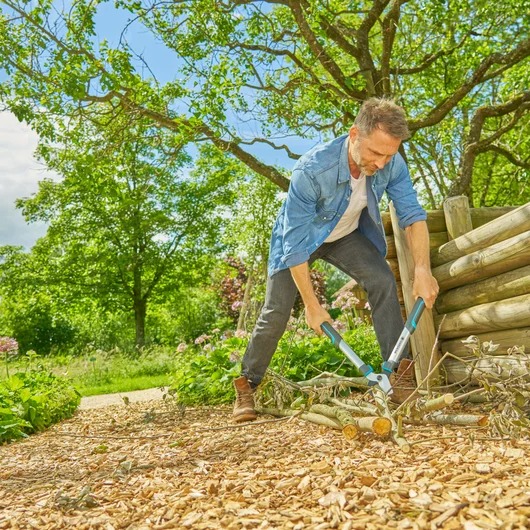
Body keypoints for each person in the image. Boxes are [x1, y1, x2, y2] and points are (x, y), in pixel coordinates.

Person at [232, 98, 439, 422]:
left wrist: (422, 270)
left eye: (389, 155)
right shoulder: (312, 170)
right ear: (354, 134)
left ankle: (398, 375)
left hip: (344, 236)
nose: (382, 163)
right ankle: (247, 384)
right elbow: (295, 244)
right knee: (277, 311)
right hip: (300, 240)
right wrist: (312, 306)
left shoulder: (392, 163)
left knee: (383, 280)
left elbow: (413, 216)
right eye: (376, 153)